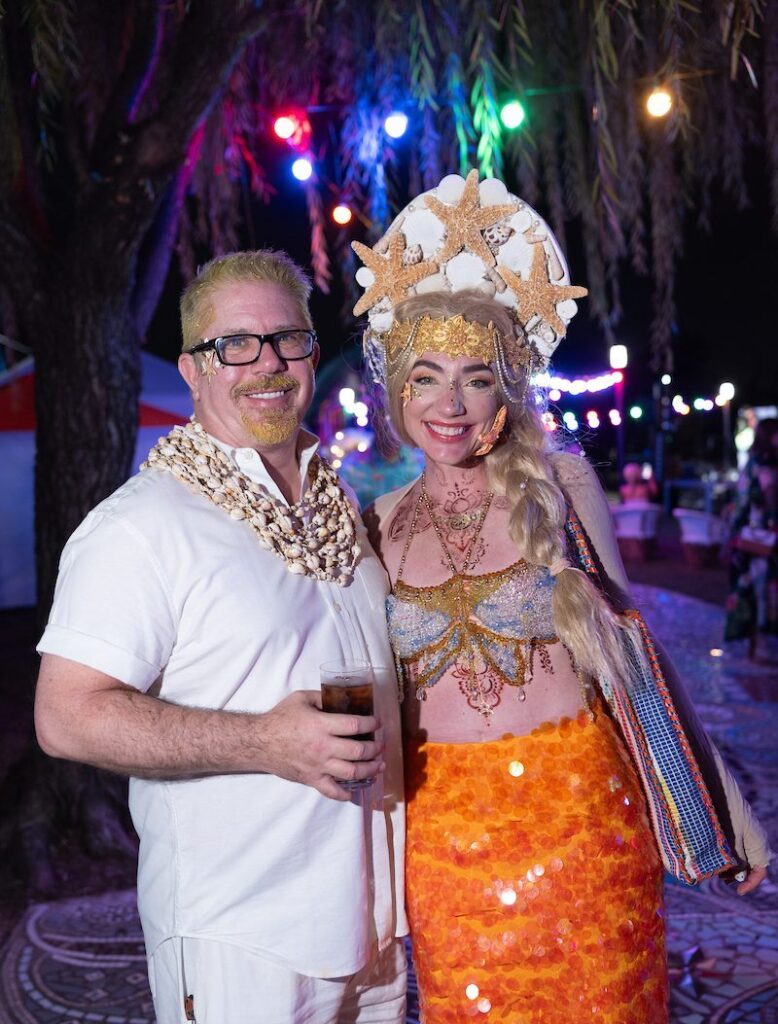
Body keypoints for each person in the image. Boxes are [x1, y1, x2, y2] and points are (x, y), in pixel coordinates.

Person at [352, 171, 771, 1024]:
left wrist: (723, 800)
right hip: (444, 846)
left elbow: (632, 654)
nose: (450, 404)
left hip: (584, 828)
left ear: (506, 392)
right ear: (397, 389)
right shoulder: (379, 522)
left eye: (475, 377)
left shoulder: (561, 484)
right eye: (426, 376)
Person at [34, 250, 408, 1024]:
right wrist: (264, 742)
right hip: (246, 940)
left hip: (374, 927)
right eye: (233, 344)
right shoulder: (141, 526)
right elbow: (64, 716)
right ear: (193, 369)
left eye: (288, 339)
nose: (266, 364)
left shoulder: (336, 510)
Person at [725, 416, 778, 659]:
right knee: (759, 589)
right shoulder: (759, 465)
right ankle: (759, 645)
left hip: (764, 536)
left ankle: (762, 645)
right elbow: (745, 501)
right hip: (759, 538)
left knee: (764, 589)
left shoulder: (765, 464)